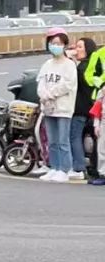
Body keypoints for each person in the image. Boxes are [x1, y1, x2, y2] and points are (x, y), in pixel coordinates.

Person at [37, 28, 78, 182]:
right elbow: (41, 82)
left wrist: (50, 94)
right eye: (52, 43)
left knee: (62, 140)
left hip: (63, 108)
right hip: (48, 108)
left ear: (65, 45)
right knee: (52, 141)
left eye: (58, 43)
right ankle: (54, 167)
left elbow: (67, 85)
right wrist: (43, 95)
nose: (55, 46)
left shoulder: (69, 65)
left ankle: (64, 169)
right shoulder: (47, 64)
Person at [70, 36, 98, 181]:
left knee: (75, 136)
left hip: (80, 108)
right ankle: (91, 166)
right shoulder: (91, 65)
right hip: (90, 108)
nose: (76, 50)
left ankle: (78, 167)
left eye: (80, 47)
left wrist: (71, 61)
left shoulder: (83, 67)